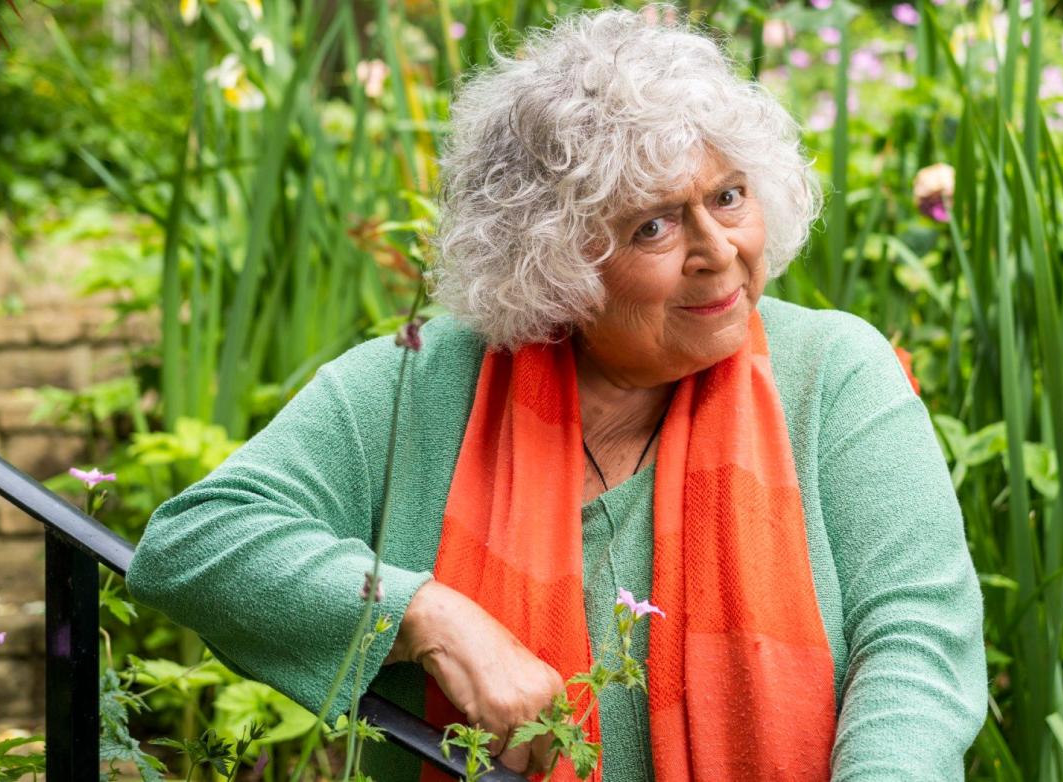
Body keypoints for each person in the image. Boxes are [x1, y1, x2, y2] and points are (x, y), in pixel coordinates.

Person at [127, 6, 988, 781]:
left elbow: (915, 642)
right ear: (556, 259)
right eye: (653, 224)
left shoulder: (835, 372)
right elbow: (196, 543)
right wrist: (426, 614)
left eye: (728, 198)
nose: (718, 250)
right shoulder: (419, 385)